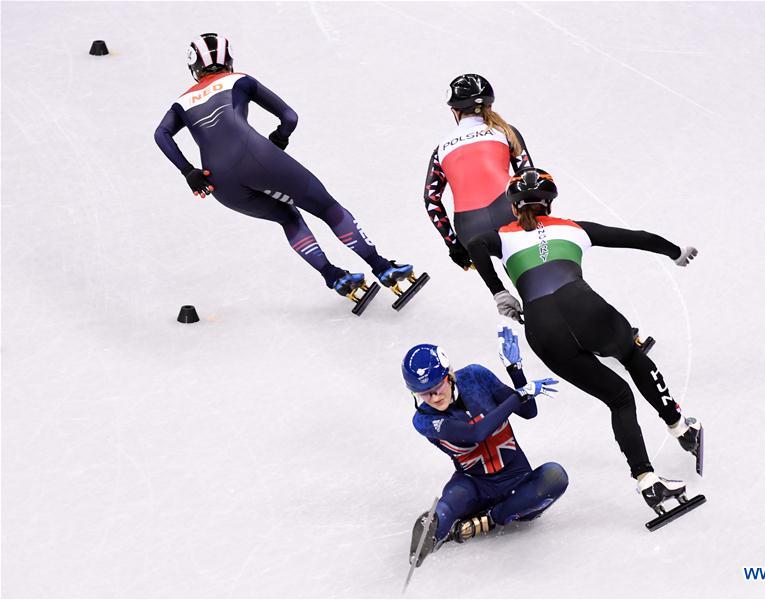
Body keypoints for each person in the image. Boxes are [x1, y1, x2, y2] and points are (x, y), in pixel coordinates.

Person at [466, 167, 704, 515]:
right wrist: (675, 251)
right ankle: (679, 427)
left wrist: (499, 291)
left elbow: (473, 244)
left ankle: (647, 480)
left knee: (619, 398)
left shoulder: (501, 236)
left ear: (514, 207)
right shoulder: (573, 228)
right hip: (584, 308)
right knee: (634, 358)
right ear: (549, 202)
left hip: (542, 329)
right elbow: (635, 237)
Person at [154, 33, 417, 304]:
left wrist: (188, 172)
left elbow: (161, 134)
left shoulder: (182, 102)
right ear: (229, 61)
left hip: (218, 181)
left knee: (288, 218)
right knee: (327, 208)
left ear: (193, 68)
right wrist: (279, 137)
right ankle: (382, 268)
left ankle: (334, 276)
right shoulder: (238, 80)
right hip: (257, 157)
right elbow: (289, 116)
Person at [403, 329, 568, 566]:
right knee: (443, 511)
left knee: (556, 475)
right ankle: (444, 531)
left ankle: (488, 520)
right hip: (473, 485)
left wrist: (516, 370)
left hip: (518, 482)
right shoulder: (423, 420)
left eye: (437, 387)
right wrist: (425, 537)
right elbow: (476, 434)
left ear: (449, 375)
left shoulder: (475, 377)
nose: (434, 398)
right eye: (423, 394)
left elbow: (529, 412)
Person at [422, 74, 533, 271]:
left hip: (469, 227)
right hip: (508, 209)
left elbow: (431, 200)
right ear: (489, 106)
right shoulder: (506, 131)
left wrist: (454, 246)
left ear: (455, 111)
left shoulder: (440, 149)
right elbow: (529, 178)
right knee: (532, 273)